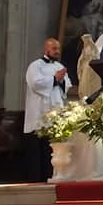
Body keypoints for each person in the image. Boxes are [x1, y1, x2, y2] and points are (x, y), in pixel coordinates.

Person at [22, 38, 71, 182]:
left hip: (55, 113)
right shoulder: (35, 66)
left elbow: (67, 85)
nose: (57, 51)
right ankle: (35, 180)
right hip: (38, 113)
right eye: (54, 48)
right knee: (37, 152)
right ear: (46, 49)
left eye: (58, 48)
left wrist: (61, 81)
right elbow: (35, 83)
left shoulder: (60, 66)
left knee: (51, 150)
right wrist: (55, 79)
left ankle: (51, 177)